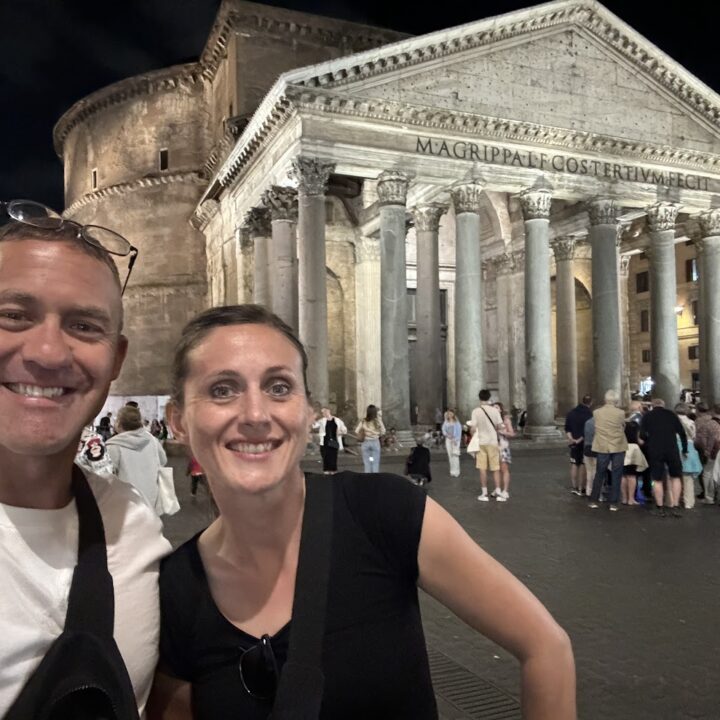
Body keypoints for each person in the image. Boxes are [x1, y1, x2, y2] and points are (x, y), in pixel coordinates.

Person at [148, 304, 576, 719]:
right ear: (179, 420)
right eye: (223, 389)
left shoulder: (382, 511)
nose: (256, 414)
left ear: (308, 411)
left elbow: (545, 646)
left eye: (279, 387)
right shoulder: (174, 590)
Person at [0, 201, 169, 716]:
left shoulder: (135, 528)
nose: (48, 352)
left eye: (85, 327)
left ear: (116, 360)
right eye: (13, 316)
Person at [106, 405, 168, 510]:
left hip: (127, 500)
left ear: (119, 424)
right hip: (151, 495)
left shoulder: (114, 445)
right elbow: (163, 461)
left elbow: (108, 474)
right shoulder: (152, 440)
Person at [639, 398, 687, 518]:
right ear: (663, 405)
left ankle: (660, 507)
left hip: (655, 450)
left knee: (657, 479)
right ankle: (675, 506)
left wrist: (648, 441)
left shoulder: (647, 416)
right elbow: (682, 433)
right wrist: (685, 449)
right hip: (672, 449)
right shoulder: (672, 415)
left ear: (652, 406)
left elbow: (642, 435)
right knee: (676, 477)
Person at [588, 390, 627, 512]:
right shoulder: (621, 413)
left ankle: (594, 500)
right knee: (616, 473)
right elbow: (622, 426)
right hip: (617, 445)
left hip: (602, 445)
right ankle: (613, 503)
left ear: (605, 400)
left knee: (599, 473)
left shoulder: (596, 412)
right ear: (616, 400)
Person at [467, 389, 504, 502]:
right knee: (495, 468)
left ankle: (484, 493)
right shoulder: (494, 410)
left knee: (482, 468)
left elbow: (473, 428)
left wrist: (473, 434)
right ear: (489, 398)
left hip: (481, 442)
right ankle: (498, 492)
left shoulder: (476, 411)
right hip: (493, 442)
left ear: (479, 398)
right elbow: (500, 427)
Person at [564, 395, 592, 495]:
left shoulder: (571, 413)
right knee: (583, 465)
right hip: (584, 443)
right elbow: (588, 431)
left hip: (573, 442)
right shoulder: (590, 414)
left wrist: (571, 439)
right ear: (590, 403)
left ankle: (574, 487)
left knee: (574, 464)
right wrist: (579, 440)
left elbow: (567, 428)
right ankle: (581, 488)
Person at [313, 406, 347, 474]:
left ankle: (333, 473)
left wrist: (340, 432)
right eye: (322, 412)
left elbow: (344, 430)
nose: (323, 414)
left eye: (324, 411)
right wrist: (313, 418)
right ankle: (326, 473)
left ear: (328, 411)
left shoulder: (337, 420)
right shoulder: (322, 421)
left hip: (334, 441)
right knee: (325, 458)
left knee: (333, 458)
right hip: (324, 442)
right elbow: (314, 426)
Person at [493, 402, 515, 501]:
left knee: (504, 469)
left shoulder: (505, 420)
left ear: (500, 409)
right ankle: (497, 489)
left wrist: (503, 432)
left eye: (496, 407)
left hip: (503, 446)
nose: (495, 409)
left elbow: (512, 433)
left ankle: (505, 491)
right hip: (493, 447)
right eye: (493, 408)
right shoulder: (491, 421)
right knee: (495, 469)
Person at [355, 404, 386, 472]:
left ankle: (367, 479)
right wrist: (375, 433)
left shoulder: (363, 421)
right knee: (375, 463)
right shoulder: (378, 421)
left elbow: (356, 431)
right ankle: (375, 479)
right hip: (375, 442)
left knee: (367, 463)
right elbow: (383, 431)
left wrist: (366, 431)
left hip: (366, 442)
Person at [441, 409, 462, 477]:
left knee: (455, 455)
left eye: (451, 413)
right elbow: (443, 430)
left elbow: (459, 433)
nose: (449, 415)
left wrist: (456, 440)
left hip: (455, 440)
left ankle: (457, 471)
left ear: (453, 414)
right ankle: (452, 471)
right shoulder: (446, 422)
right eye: (448, 414)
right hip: (448, 439)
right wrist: (447, 435)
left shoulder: (457, 423)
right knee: (450, 455)